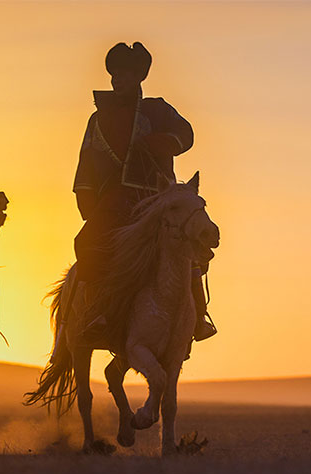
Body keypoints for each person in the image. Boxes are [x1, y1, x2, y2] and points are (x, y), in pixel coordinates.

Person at [72, 42, 217, 345]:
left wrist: (160, 142)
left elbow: (186, 134)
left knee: (188, 236)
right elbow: (87, 161)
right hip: (115, 199)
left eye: (124, 74)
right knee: (87, 241)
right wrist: (87, 201)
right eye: (114, 75)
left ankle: (198, 315)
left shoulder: (158, 110)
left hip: (157, 196)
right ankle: (97, 310)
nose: (117, 80)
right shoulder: (98, 119)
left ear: (138, 77)